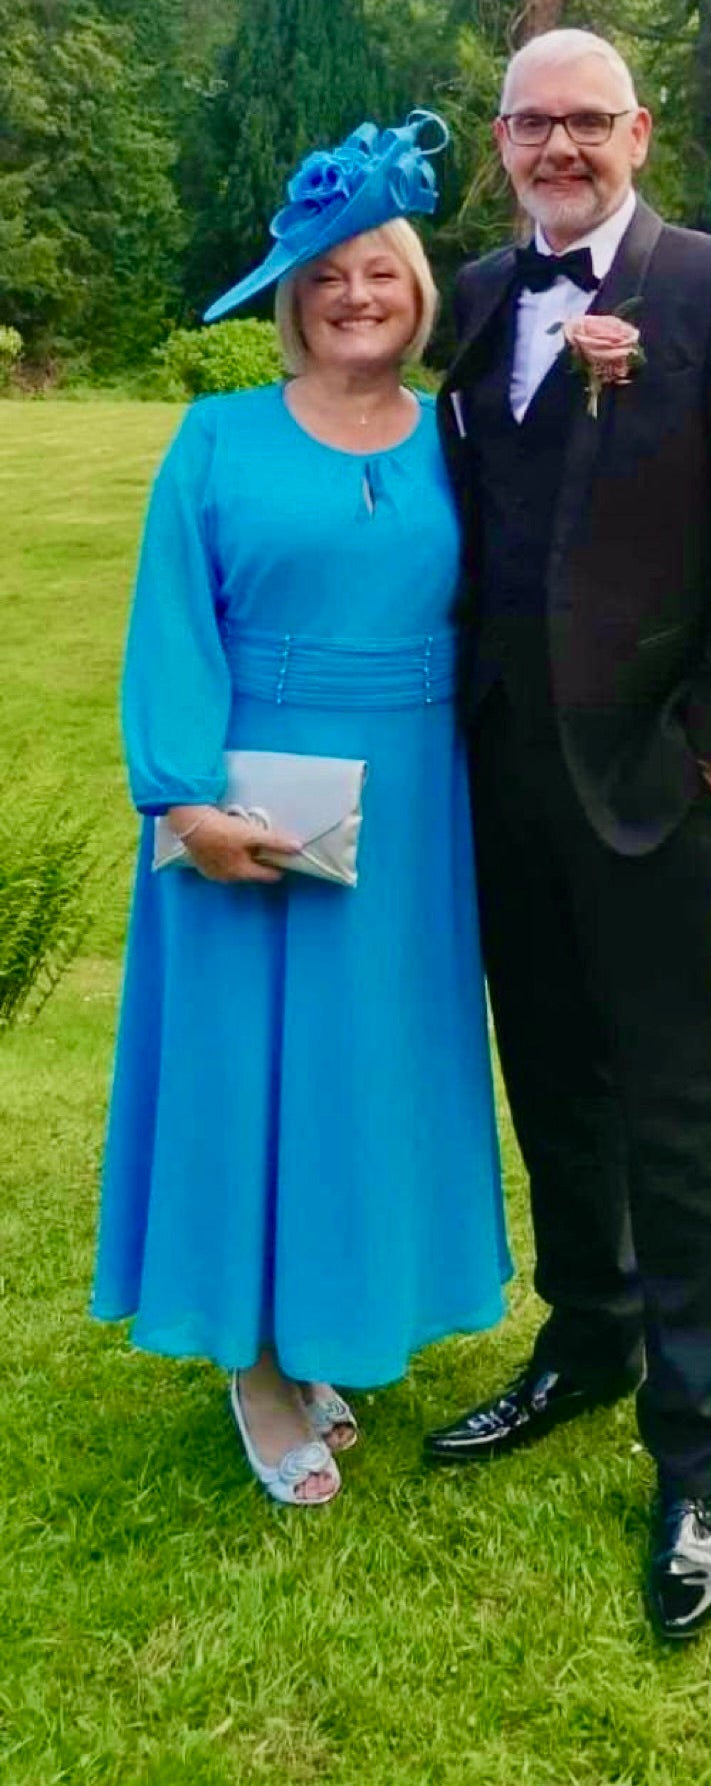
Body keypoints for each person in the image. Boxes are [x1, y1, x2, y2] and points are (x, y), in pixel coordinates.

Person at [426, 31, 711, 1636]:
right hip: (496, 774)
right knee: (549, 1077)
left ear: (638, 131)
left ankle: (696, 1450)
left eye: (588, 121)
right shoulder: (474, 296)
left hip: (654, 785)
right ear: (502, 141)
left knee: (671, 1109)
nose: (561, 147)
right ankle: (586, 1336)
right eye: (533, 123)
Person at [92, 116, 510, 1507]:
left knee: (364, 1067)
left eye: (379, 269)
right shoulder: (216, 437)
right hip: (250, 809)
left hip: (417, 811)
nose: (354, 294)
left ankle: (328, 1321)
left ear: (418, 289)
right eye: (325, 274)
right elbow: (169, 624)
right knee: (251, 1067)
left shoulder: (459, 441)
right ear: (292, 298)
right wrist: (185, 804)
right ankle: (257, 1366)